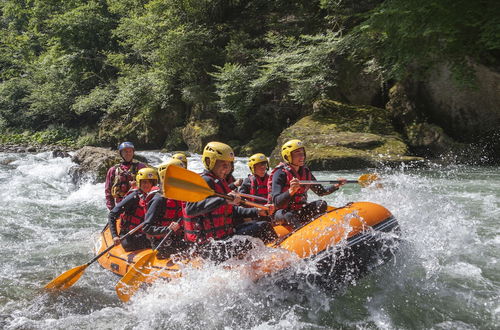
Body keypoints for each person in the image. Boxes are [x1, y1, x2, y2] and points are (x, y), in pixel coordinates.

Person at [183, 142, 276, 262]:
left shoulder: (220, 181)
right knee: (257, 234)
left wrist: (257, 211)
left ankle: (273, 257)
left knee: (263, 225)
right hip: (211, 247)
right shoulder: (203, 181)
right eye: (223, 164)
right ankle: (270, 262)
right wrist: (224, 200)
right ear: (208, 161)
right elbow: (190, 209)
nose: (226, 169)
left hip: (226, 237)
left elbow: (232, 210)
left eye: (228, 165)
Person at [268, 139, 347, 229]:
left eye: (302, 153)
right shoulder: (280, 173)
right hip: (281, 213)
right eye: (297, 154)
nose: (301, 157)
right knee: (289, 215)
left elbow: (321, 191)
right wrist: (291, 191)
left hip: (299, 210)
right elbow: (277, 202)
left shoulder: (305, 171)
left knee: (321, 204)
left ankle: (320, 230)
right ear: (287, 156)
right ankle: (300, 235)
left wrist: (337, 185)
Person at [143, 159, 188, 259]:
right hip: (162, 243)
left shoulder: (182, 196)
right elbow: (147, 228)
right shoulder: (159, 200)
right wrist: (167, 229)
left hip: (178, 239)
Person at [108, 167, 159, 252]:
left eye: (150, 182)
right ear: (139, 183)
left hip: (145, 234)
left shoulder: (156, 198)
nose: (147, 185)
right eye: (144, 182)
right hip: (129, 236)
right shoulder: (134, 197)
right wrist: (115, 236)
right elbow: (112, 215)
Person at [105, 142, 146, 210]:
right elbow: (108, 192)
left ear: (133, 153)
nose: (128, 153)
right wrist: (112, 209)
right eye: (125, 151)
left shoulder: (141, 167)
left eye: (130, 151)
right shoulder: (113, 170)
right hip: (121, 205)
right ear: (121, 153)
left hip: (138, 205)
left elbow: (150, 186)